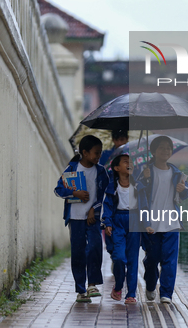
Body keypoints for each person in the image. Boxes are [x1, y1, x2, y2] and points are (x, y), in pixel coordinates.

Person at [54, 135, 109, 303]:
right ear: (85, 153)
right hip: (75, 218)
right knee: (78, 252)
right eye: (96, 153)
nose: (98, 157)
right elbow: (58, 189)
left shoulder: (101, 172)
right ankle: (80, 289)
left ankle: (92, 284)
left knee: (94, 248)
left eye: (100, 153)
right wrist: (74, 193)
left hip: (92, 219)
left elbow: (105, 196)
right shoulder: (71, 169)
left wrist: (94, 209)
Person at [136, 136, 188, 304]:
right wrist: (143, 179)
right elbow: (138, 194)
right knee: (152, 258)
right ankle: (151, 285)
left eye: (168, 148)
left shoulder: (176, 173)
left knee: (170, 259)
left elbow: (184, 194)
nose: (166, 150)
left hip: (172, 222)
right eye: (162, 148)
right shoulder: (146, 172)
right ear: (153, 151)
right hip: (152, 224)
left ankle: (166, 293)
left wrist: (183, 190)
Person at [102, 154, 140, 304]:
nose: (129, 164)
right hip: (118, 221)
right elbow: (108, 206)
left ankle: (131, 294)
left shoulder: (139, 184)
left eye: (131, 162)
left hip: (135, 221)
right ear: (116, 168)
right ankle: (118, 285)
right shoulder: (113, 187)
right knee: (118, 257)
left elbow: (146, 202)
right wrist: (108, 222)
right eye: (125, 162)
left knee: (132, 259)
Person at [99, 129, 129, 259]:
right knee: (109, 221)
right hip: (112, 192)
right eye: (117, 139)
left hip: (127, 192)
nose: (120, 142)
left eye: (123, 139)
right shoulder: (107, 155)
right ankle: (114, 253)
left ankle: (122, 256)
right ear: (113, 140)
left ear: (127, 139)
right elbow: (101, 173)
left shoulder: (132, 155)